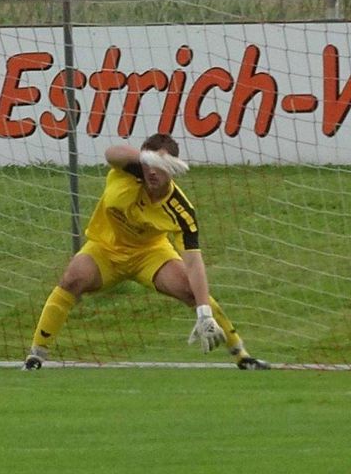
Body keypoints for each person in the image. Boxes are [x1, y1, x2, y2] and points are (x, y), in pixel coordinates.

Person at [24, 133, 270, 371]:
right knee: (71, 279)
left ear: (173, 169)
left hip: (149, 254)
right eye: (150, 164)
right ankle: (36, 355)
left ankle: (241, 355)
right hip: (105, 248)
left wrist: (204, 311)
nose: (152, 171)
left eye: (161, 165)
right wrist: (146, 158)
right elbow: (112, 153)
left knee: (190, 290)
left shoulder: (181, 210)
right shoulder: (128, 171)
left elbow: (194, 263)